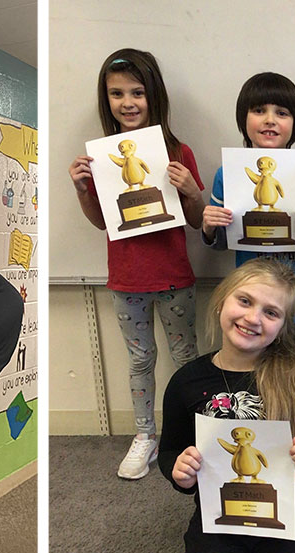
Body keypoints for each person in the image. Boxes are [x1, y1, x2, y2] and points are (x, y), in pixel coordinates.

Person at [161, 259, 295, 553]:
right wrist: (178, 471)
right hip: (219, 519)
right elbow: (170, 449)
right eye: (244, 301)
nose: (253, 318)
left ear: (284, 326)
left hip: (290, 522)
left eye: (271, 312)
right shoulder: (187, 381)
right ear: (221, 301)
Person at [67, 49, 206, 480]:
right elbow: (100, 223)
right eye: (116, 94)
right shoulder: (101, 159)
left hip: (174, 277)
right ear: (105, 100)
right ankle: (145, 435)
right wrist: (83, 190)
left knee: (186, 358)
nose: (127, 102)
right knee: (140, 360)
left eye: (137, 92)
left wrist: (190, 191)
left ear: (154, 96)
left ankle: (191, 434)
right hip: (126, 279)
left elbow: (200, 220)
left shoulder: (177, 151)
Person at [202, 72, 295, 371]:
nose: (270, 120)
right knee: (259, 387)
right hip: (256, 310)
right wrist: (210, 226)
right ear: (244, 120)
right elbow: (221, 243)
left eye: (282, 112)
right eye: (258, 110)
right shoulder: (228, 175)